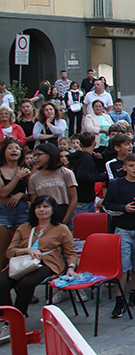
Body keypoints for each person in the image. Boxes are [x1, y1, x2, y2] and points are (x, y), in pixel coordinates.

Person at [0, 196, 75, 341]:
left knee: (26, 283)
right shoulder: (24, 228)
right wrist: (26, 250)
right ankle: (8, 318)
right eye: (38, 207)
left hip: (48, 262)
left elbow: (70, 252)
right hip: (23, 262)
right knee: (2, 283)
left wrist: (71, 267)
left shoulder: (61, 229)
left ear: (53, 210)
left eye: (45, 207)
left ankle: (18, 317)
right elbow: (10, 251)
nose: (42, 210)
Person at [101, 152, 135, 317]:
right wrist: (124, 208)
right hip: (122, 229)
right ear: (124, 167)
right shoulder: (116, 184)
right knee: (123, 265)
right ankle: (119, 298)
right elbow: (107, 205)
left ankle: (134, 294)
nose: (134, 168)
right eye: (131, 165)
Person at [28, 143, 78, 225]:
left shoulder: (66, 173)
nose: (36, 158)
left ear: (50, 154)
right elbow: (34, 201)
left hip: (63, 210)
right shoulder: (33, 178)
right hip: (44, 213)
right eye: (35, 155)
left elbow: (73, 198)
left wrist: (65, 220)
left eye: (39, 155)